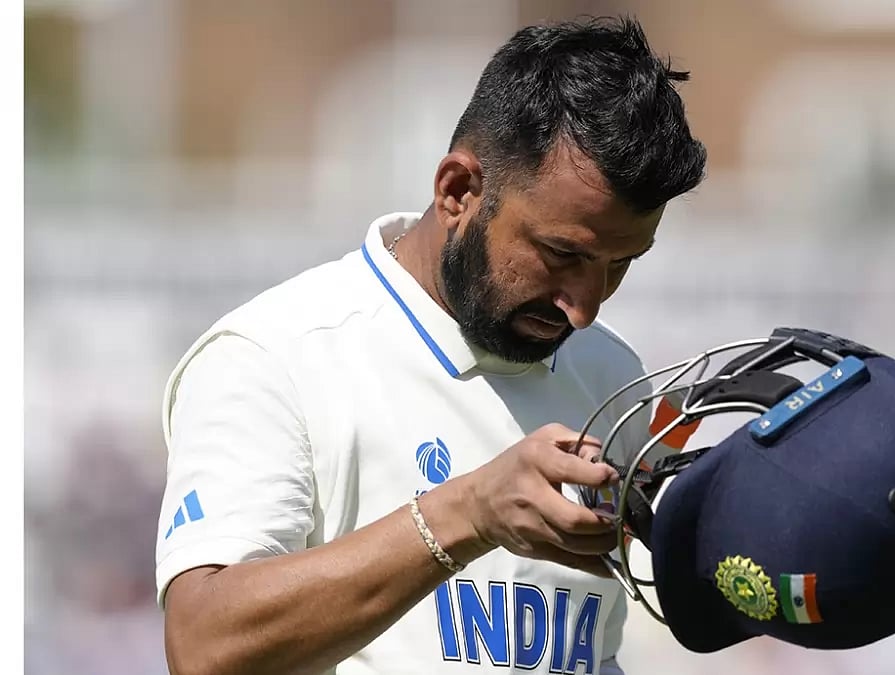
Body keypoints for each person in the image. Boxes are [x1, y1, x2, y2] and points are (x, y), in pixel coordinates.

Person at [154, 15, 707, 675]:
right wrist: (469, 512)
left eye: (621, 264)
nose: (584, 306)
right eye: (562, 253)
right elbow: (203, 644)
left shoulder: (612, 373)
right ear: (457, 192)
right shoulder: (276, 354)